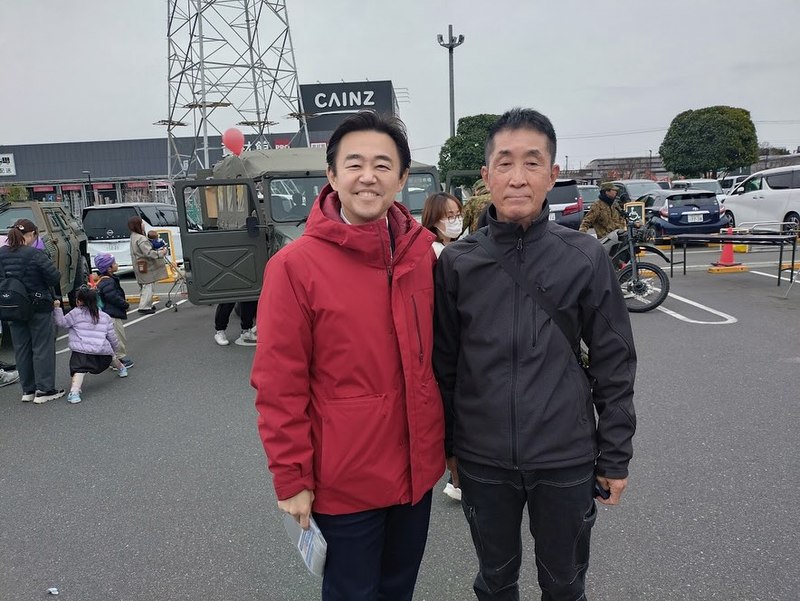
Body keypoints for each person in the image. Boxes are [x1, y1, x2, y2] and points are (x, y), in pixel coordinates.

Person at [433, 108, 637, 601]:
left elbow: (614, 363)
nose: (518, 177)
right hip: (482, 458)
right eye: (505, 163)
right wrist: (451, 448)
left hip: (566, 455)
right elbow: (445, 365)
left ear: (552, 173)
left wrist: (615, 455)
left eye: (532, 162)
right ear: (486, 175)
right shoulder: (458, 263)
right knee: (495, 581)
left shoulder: (584, 256)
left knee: (564, 584)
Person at [252, 111, 444, 601]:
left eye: (383, 165)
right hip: (344, 481)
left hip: (416, 473)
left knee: (399, 590)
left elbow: (438, 362)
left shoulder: (422, 255)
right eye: (354, 163)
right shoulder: (294, 266)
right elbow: (279, 384)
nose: (368, 176)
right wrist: (291, 478)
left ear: (402, 178)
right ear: (332, 176)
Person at [421, 191, 463, 503]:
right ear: (433, 219)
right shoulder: (433, 254)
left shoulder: (453, 249)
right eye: (449, 216)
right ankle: (456, 475)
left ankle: (457, 476)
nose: (455, 220)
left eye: (457, 213)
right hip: (443, 345)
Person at [0, 219, 64, 403]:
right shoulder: (35, 254)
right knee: (42, 347)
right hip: (38, 306)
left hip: (12, 307)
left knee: (22, 349)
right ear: (31, 234)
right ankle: (44, 390)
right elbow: (53, 277)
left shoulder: (1, 254)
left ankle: (28, 390)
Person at [53, 287, 127, 404]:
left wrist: (57, 308)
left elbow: (62, 322)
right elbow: (112, 336)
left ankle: (75, 393)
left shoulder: (75, 313)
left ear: (78, 301)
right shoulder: (104, 316)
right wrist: (115, 347)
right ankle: (122, 369)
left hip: (82, 350)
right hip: (101, 350)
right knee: (112, 358)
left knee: (79, 370)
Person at [93, 253, 134, 369]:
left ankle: (113, 360)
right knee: (118, 337)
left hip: (107, 313)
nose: (117, 264)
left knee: (111, 338)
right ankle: (119, 360)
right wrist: (125, 305)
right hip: (112, 314)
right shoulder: (108, 282)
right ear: (109, 268)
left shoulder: (103, 280)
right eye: (114, 263)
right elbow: (113, 297)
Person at [128, 216, 167, 314]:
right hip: (146, 264)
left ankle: (146, 304)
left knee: (144, 285)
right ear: (138, 225)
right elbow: (148, 253)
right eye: (141, 223)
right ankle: (144, 306)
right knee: (148, 285)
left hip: (138, 264)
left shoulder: (133, 236)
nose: (143, 225)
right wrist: (161, 253)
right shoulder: (141, 238)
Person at [421, 191, 463, 258]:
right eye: (450, 216)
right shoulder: (432, 251)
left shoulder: (460, 244)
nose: (457, 220)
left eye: (458, 215)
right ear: (434, 220)